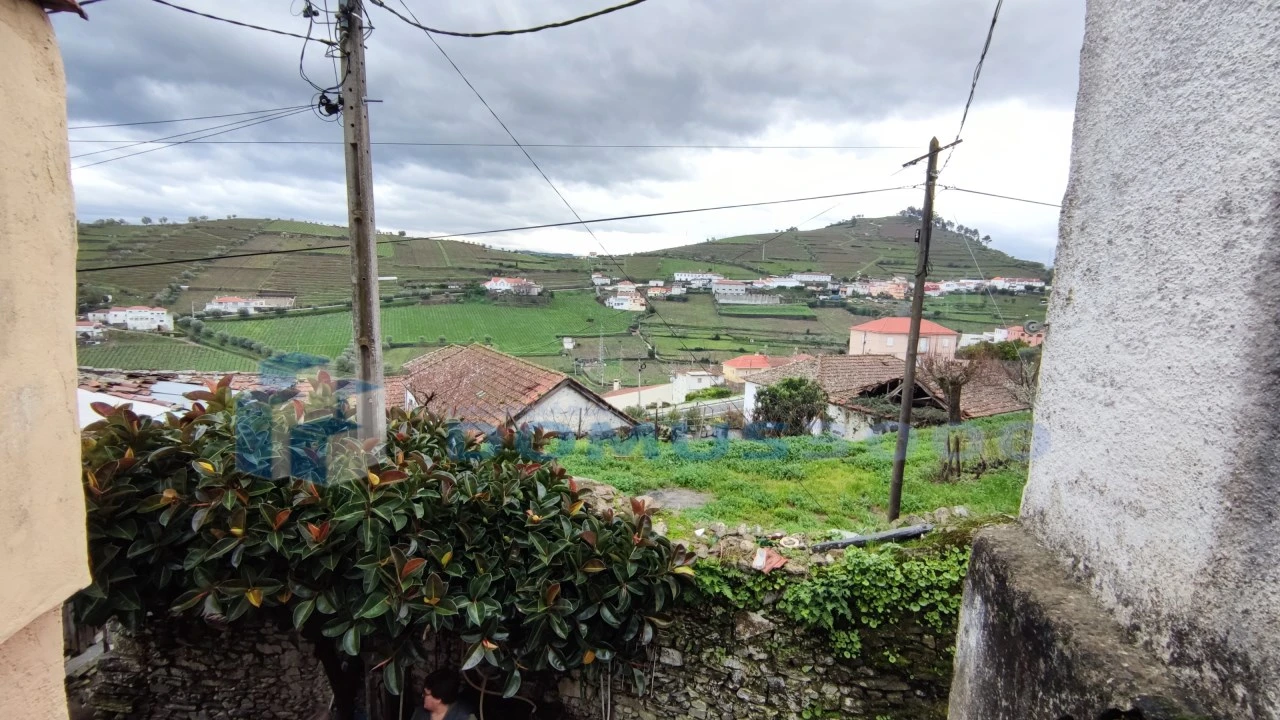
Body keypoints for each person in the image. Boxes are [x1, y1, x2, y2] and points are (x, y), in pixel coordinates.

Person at [411, 669, 477, 720]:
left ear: (438, 699)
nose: (423, 695)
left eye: (425, 693)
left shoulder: (466, 717)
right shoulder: (419, 713)